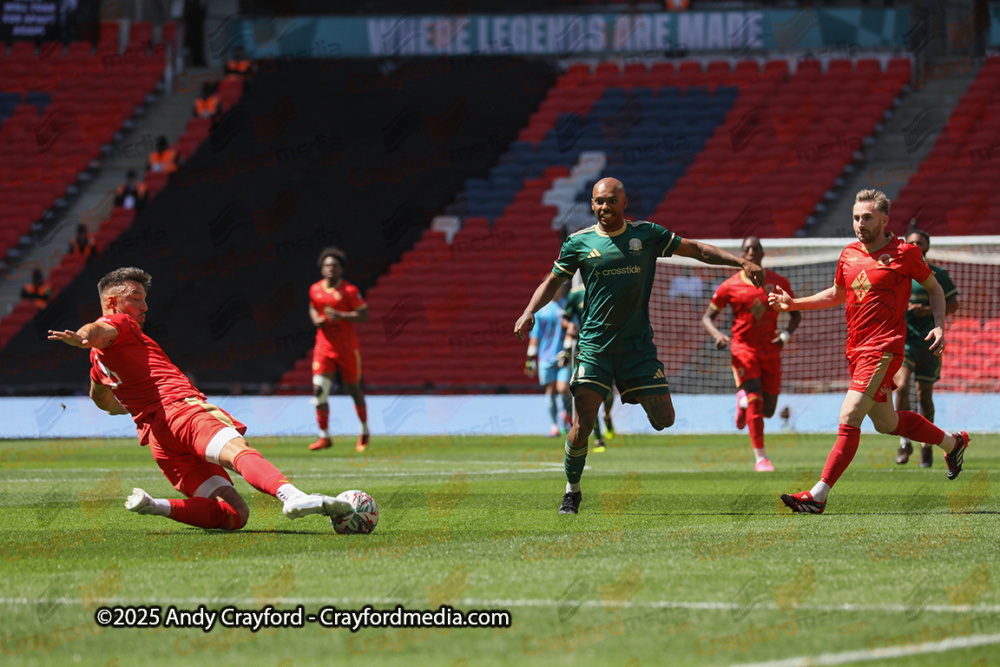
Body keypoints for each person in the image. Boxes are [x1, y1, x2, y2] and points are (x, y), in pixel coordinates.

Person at [514, 177, 765, 515]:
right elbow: (552, 281)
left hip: (637, 348)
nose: (605, 207)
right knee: (583, 424)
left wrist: (741, 263)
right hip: (595, 347)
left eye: (611, 201)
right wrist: (529, 311)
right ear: (592, 204)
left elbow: (696, 249)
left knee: (665, 419)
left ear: (624, 202)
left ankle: (630, 401)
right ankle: (572, 491)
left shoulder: (646, 235)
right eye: (599, 202)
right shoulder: (578, 243)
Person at [47, 267, 351, 531]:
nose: (145, 306)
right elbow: (99, 329)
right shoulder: (122, 325)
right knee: (236, 450)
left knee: (234, 514)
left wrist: (129, 402)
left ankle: (154, 505)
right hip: (181, 410)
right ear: (113, 303)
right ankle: (292, 496)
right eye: (136, 299)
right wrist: (84, 336)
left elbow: (101, 399)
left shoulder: (98, 364)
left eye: (144, 298)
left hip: (160, 441)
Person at [769, 190, 969, 514]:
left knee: (849, 417)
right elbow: (837, 292)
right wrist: (793, 303)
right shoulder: (848, 254)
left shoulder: (905, 253)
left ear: (884, 220)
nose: (860, 224)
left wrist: (939, 324)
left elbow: (934, 288)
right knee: (887, 423)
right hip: (856, 351)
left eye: (867, 218)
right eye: (856, 218)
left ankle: (818, 496)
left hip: (885, 348)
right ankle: (953, 442)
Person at [702, 236, 802, 472]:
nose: (750, 252)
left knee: (768, 410)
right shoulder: (729, 286)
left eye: (755, 248)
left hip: (770, 350)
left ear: (762, 254)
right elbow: (707, 317)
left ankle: (742, 401)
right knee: (755, 399)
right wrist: (718, 335)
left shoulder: (778, 283)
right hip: (743, 349)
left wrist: (786, 336)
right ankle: (761, 458)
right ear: (741, 255)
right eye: (746, 249)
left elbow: (796, 313)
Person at [894, 226, 961, 468]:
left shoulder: (938, 275)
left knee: (925, 395)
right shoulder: (899, 273)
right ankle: (904, 442)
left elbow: (953, 304)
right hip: (905, 340)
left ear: (927, 247)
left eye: (919, 242)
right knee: (901, 387)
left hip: (930, 340)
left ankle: (926, 446)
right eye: (910, 241)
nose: (914, 245)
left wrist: (925, 311)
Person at [308, 247, 370, 452]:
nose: (330, 269)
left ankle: (364, 431)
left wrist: (341, 316)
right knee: (319, 391)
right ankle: (324, 436)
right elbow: (312, 307)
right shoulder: (315, 289)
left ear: (341, 269)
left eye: (334, 266)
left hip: (347, 348)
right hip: (324, 347)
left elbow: (364, 315)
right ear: (321, 269)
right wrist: (316, 318)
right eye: (327, 266)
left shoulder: (349, 291)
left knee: (354, 391)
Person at [561, 280, 616, 451]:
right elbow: (565, 319)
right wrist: (570, 326)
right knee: (590, 394)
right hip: (585, 349)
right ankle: (598, 439)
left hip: (607, 347)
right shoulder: (575, 294)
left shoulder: (608, 289)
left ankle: (607, 415)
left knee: (607, 395)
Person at [525, 282, 572, 438]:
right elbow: (535, 336)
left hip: (563, 356)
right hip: (545, 357)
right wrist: (530, 358)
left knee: (563, 388)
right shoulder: (541, 311)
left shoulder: (566, 306)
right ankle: (554, 425)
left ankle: (568, 415)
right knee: (550, 390)